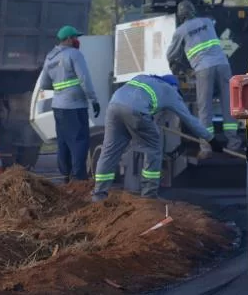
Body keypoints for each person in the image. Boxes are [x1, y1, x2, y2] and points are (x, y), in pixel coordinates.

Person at [91, 74, 214, 202]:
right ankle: (149, 194)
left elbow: (141, 100)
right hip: (135, 110)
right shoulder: (170, 91)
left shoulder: (143, 79)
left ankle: (99, 194)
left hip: (114, 106)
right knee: (153, 148)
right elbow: (190, 120)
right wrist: (210, 138)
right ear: (174, 86)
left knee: (109, 151)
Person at [165, 0, 242, 151]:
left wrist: (180, 67)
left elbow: (171, 55)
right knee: (229, 104)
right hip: (223, 65)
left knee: (205, 109)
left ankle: (206, 147)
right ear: (193, 11)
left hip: (203, 69)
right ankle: (234, 143)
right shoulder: (207, 21)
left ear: (181, 16)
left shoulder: (181, 31)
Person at [36, 25, 100, 183]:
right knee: (79, 140)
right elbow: (84, 79)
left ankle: (65, 174)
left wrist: (60, 87)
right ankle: (79, 177)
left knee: (63, 140)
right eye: (76, 37)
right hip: (75, 105)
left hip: (58, 106)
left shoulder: (50, 57)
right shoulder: (74, 54)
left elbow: (44, 84)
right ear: (70, 39)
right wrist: (94, 99)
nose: (77, 40)